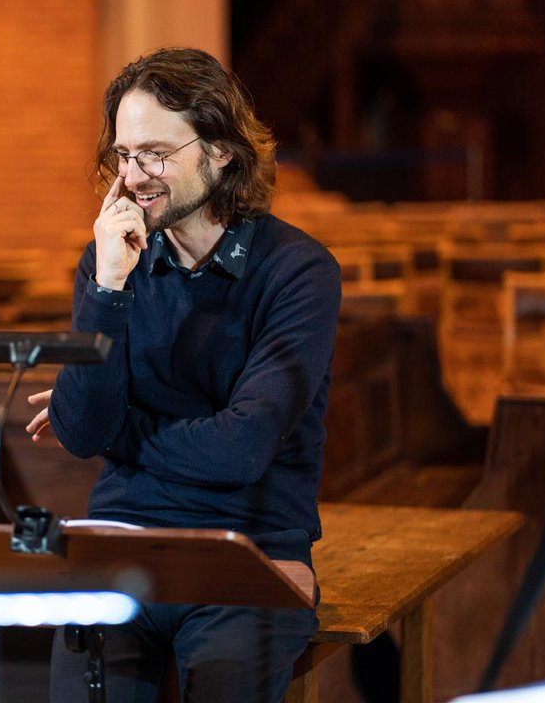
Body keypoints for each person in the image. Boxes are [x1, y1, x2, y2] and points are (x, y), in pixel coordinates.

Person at [25, 47, 341, 701]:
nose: (135, 176)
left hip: (248, 555)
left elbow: (243, 449)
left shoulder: (296, 272)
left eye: (156, 154)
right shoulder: (108, 261)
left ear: (222, 151)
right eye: (125, 155)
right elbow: (83, 433)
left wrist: (122, 434)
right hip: (122, 549)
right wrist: (110, 287)